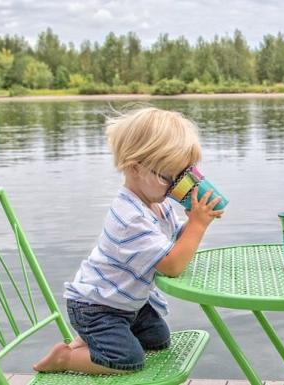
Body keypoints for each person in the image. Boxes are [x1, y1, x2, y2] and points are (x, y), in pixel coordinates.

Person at [34, 107, 224, 374]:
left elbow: (171, 246)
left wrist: (193, 220)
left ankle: (90, 339)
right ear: (136, 168)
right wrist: (197, 225)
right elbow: (171, 265)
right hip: (96, 307)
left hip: (128, 304)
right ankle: (64, 358)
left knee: (158, 342)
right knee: (129, 361)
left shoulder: (159, 205)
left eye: (184, 177)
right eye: (171, 178)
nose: (176, 188)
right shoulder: (129, 218)